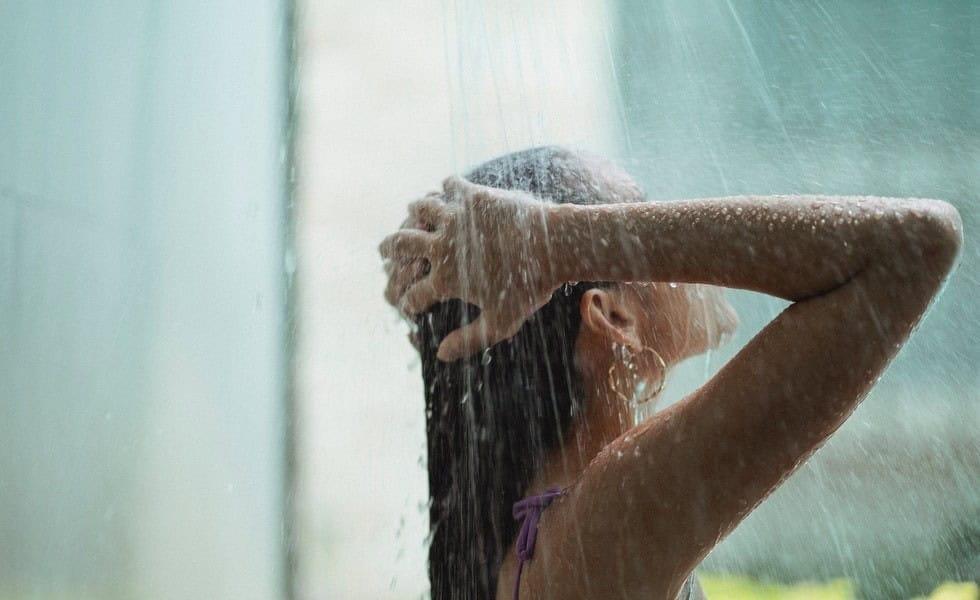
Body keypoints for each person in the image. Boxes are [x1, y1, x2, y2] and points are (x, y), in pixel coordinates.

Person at [378, 147, 962, 600]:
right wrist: (555, 240)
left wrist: (557, 243)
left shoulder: (561, 532)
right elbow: (913, 244)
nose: (668, 239)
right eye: (634, 224)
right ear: (612, 316)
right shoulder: (605, 514)